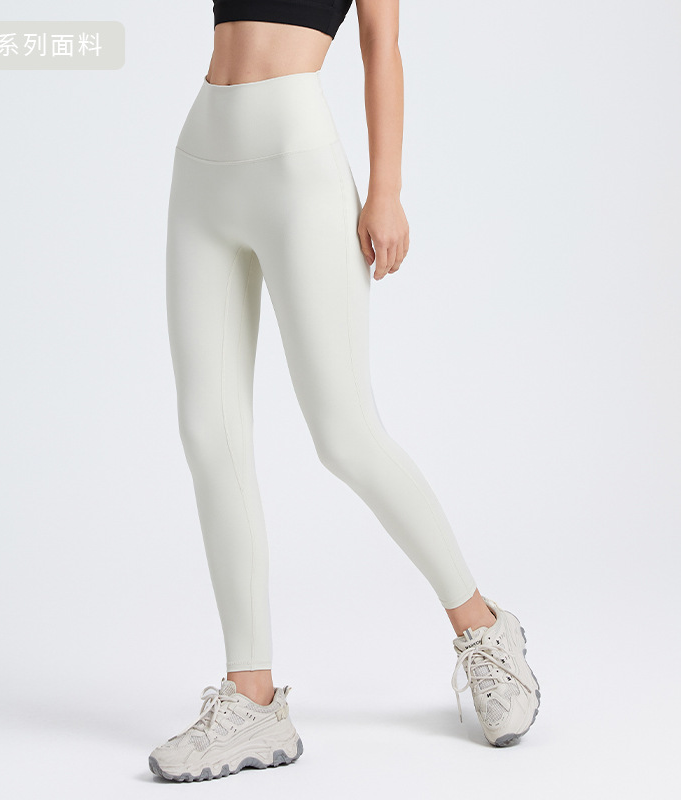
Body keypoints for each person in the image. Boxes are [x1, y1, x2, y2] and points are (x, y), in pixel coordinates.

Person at [149, 0, 540, 782]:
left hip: (297, 163)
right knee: (207, 433)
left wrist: (385, 189)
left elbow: (380, 42)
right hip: (202, 157)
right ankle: (251, 699)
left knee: (345, 433)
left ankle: (483, 627)